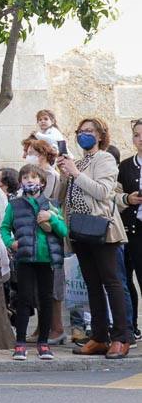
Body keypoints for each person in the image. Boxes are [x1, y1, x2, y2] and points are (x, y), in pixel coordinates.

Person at [59, 117, 129, 359]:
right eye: (80, 131)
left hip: (101, 228)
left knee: (112, 282)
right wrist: (65, 174)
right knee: (92, 285)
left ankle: (121, 337)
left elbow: (102, 192)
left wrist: (76, 173)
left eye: (89, 131)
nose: (83, 135)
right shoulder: (78, 162)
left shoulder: (105, 159)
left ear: (100, 136)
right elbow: (63, 197)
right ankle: (99, 337)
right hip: (78, 230)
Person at [0, 164, 68, 361]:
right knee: (24, 299)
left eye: (34, 177)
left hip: (47, 259)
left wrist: (52, 219)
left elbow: (63, 231)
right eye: (25, 177)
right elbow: (4, 228)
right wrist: (10, 242)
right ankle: (20, 344)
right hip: (25, 258)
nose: (30, 180)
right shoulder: (14, 205)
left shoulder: (51, 205)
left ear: (42, 181)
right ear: (20, 182)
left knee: (46, 300)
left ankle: (44, 344)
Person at [116, 119, 142, 342]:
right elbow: (115, 196)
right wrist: (128, 199)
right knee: (126, 279)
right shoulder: (125, 166)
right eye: (136, 135)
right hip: (131, 230)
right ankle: (131, 327)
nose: (140, 139)